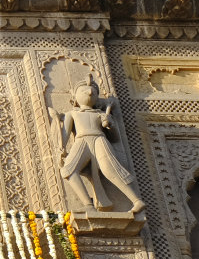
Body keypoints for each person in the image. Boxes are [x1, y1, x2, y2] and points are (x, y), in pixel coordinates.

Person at [60, 84, 145, 213]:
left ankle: (137, 200)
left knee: (109, 169)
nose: (89, 92)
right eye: (83, 90)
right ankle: (88, 205)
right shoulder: (72, 114)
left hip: (99, 139)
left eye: (93, 92)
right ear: (75, 97)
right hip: (82, 140)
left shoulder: (100, 114)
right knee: (68, 170)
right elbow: (65, 134)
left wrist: (110, 124)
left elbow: (115, 138)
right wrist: (61, 147)